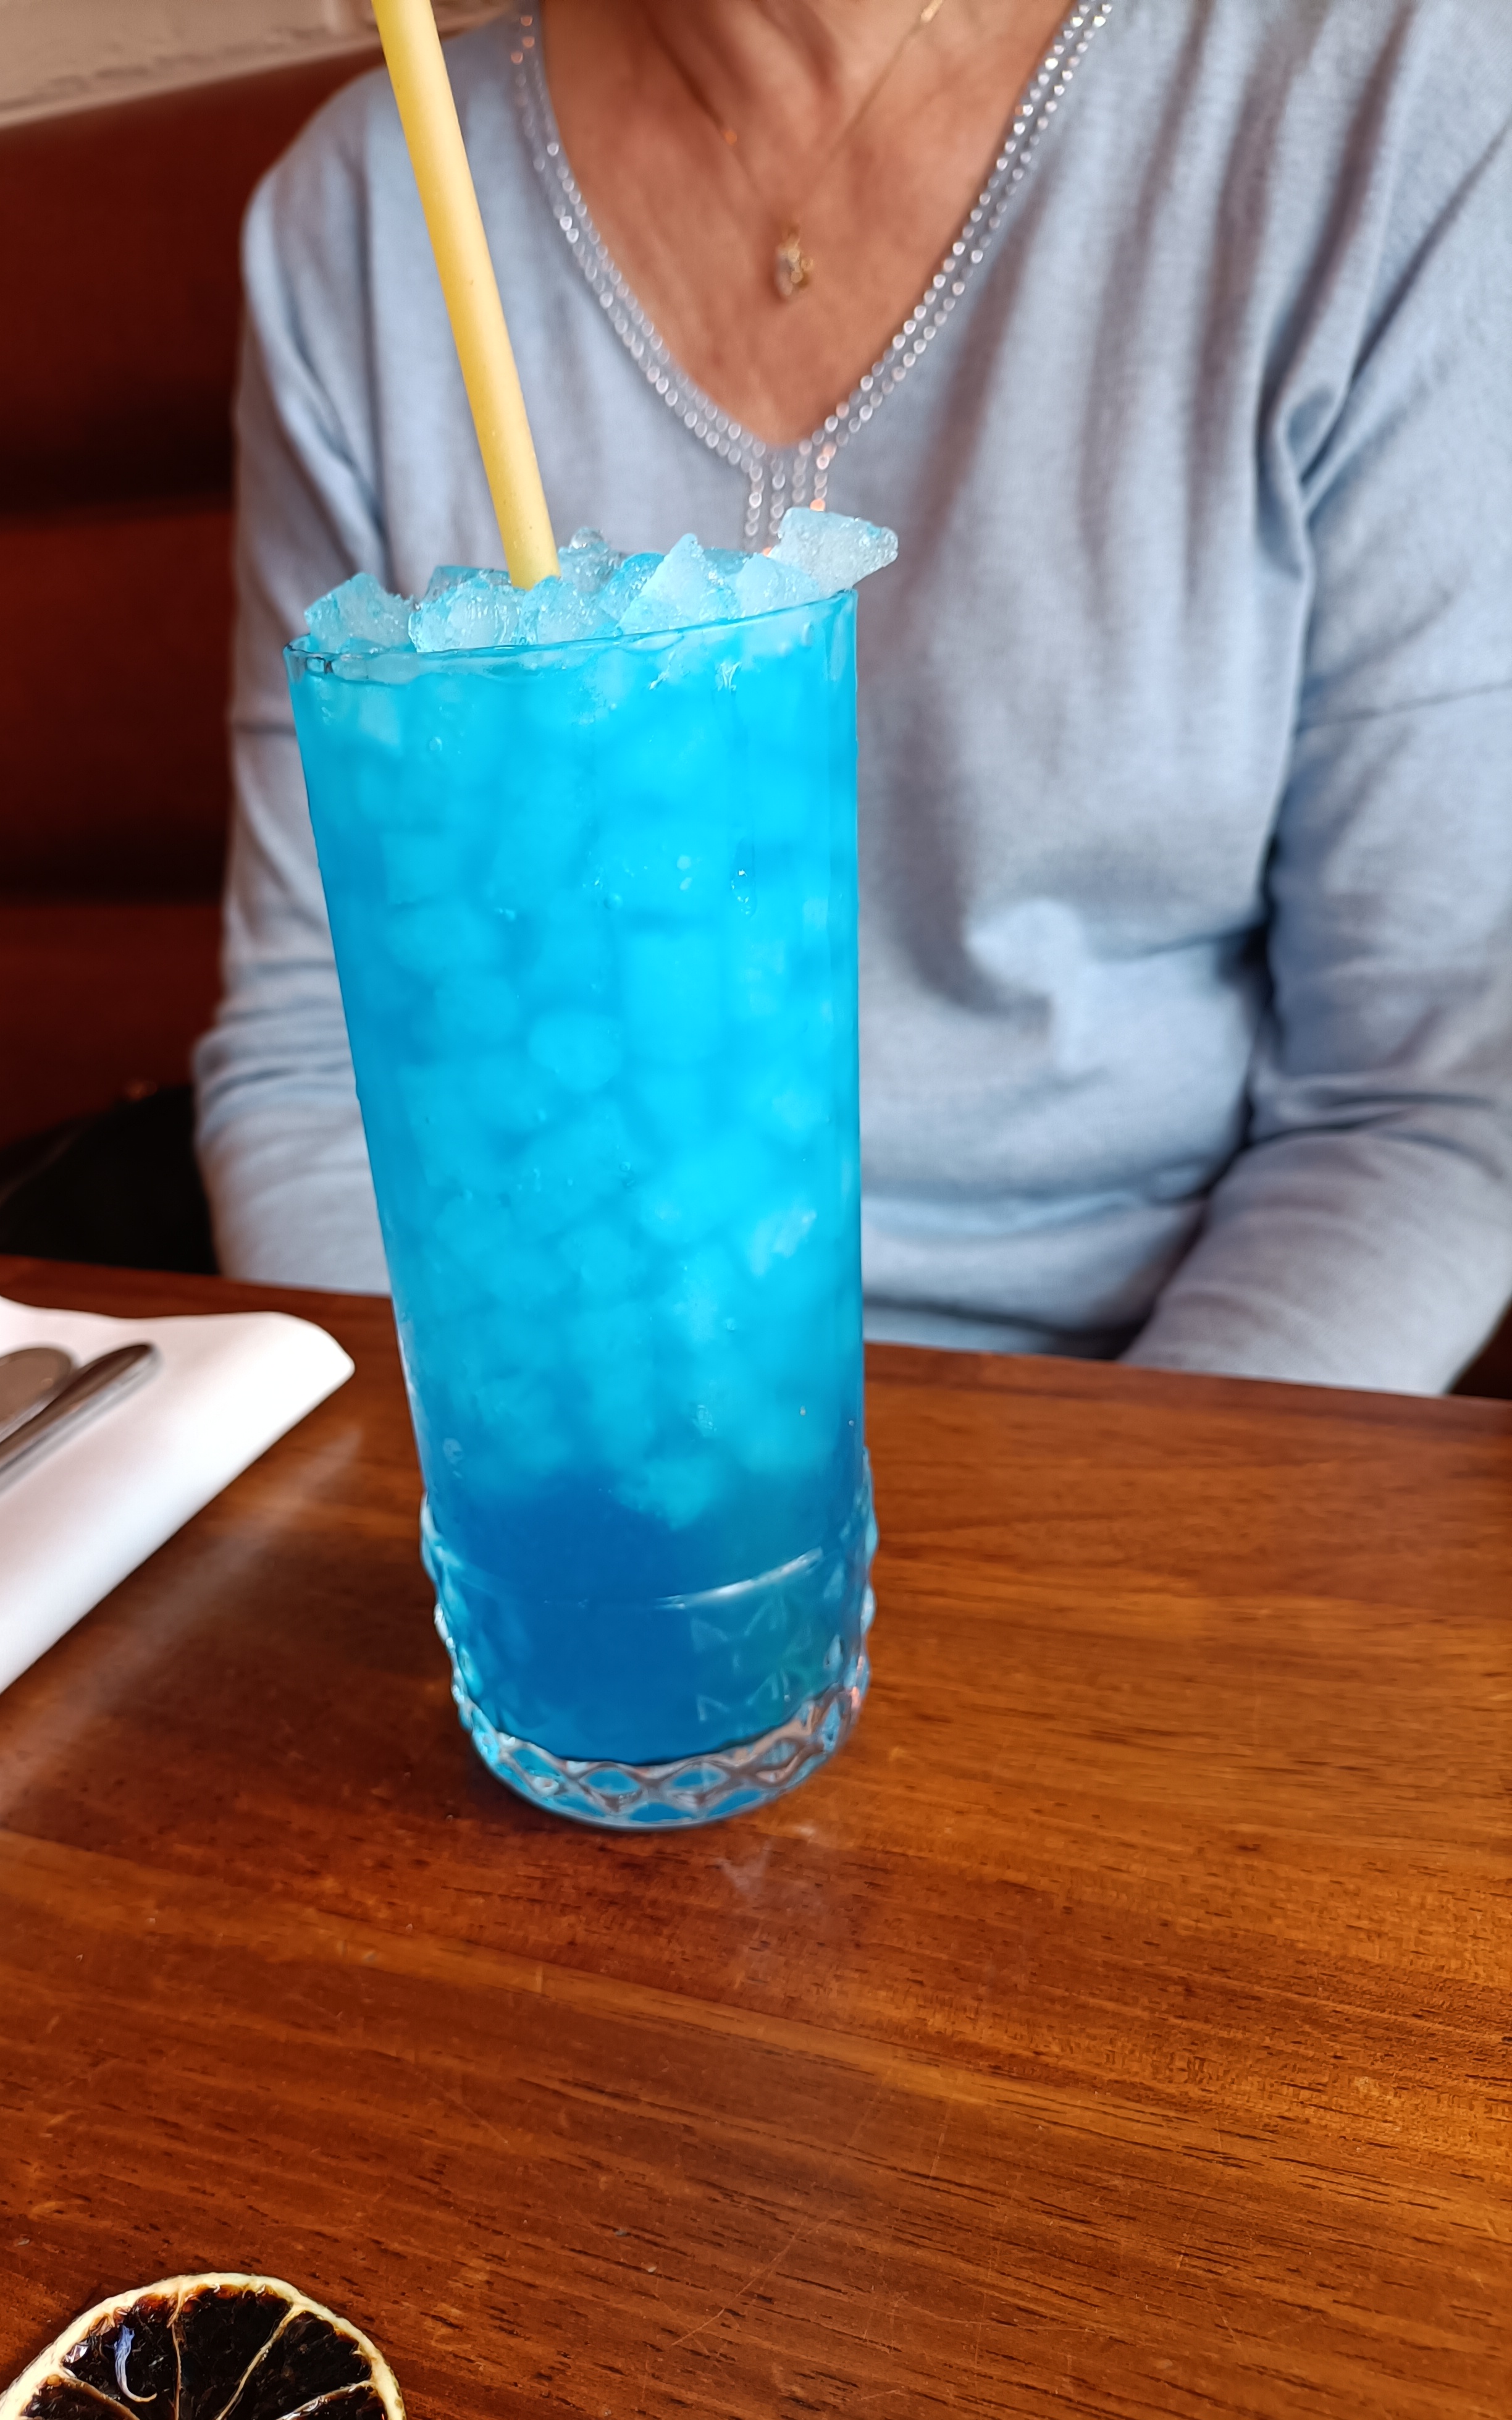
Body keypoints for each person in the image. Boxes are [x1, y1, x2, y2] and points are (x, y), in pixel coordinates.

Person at [194, 0, 1512, 1393]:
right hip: (560, 1408)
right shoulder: (366, 209)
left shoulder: (1390, 103)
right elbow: (319, 1046)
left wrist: (1132, 1513)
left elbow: (1419, 1101)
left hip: (1132, 1412)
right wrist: (506, 1468)